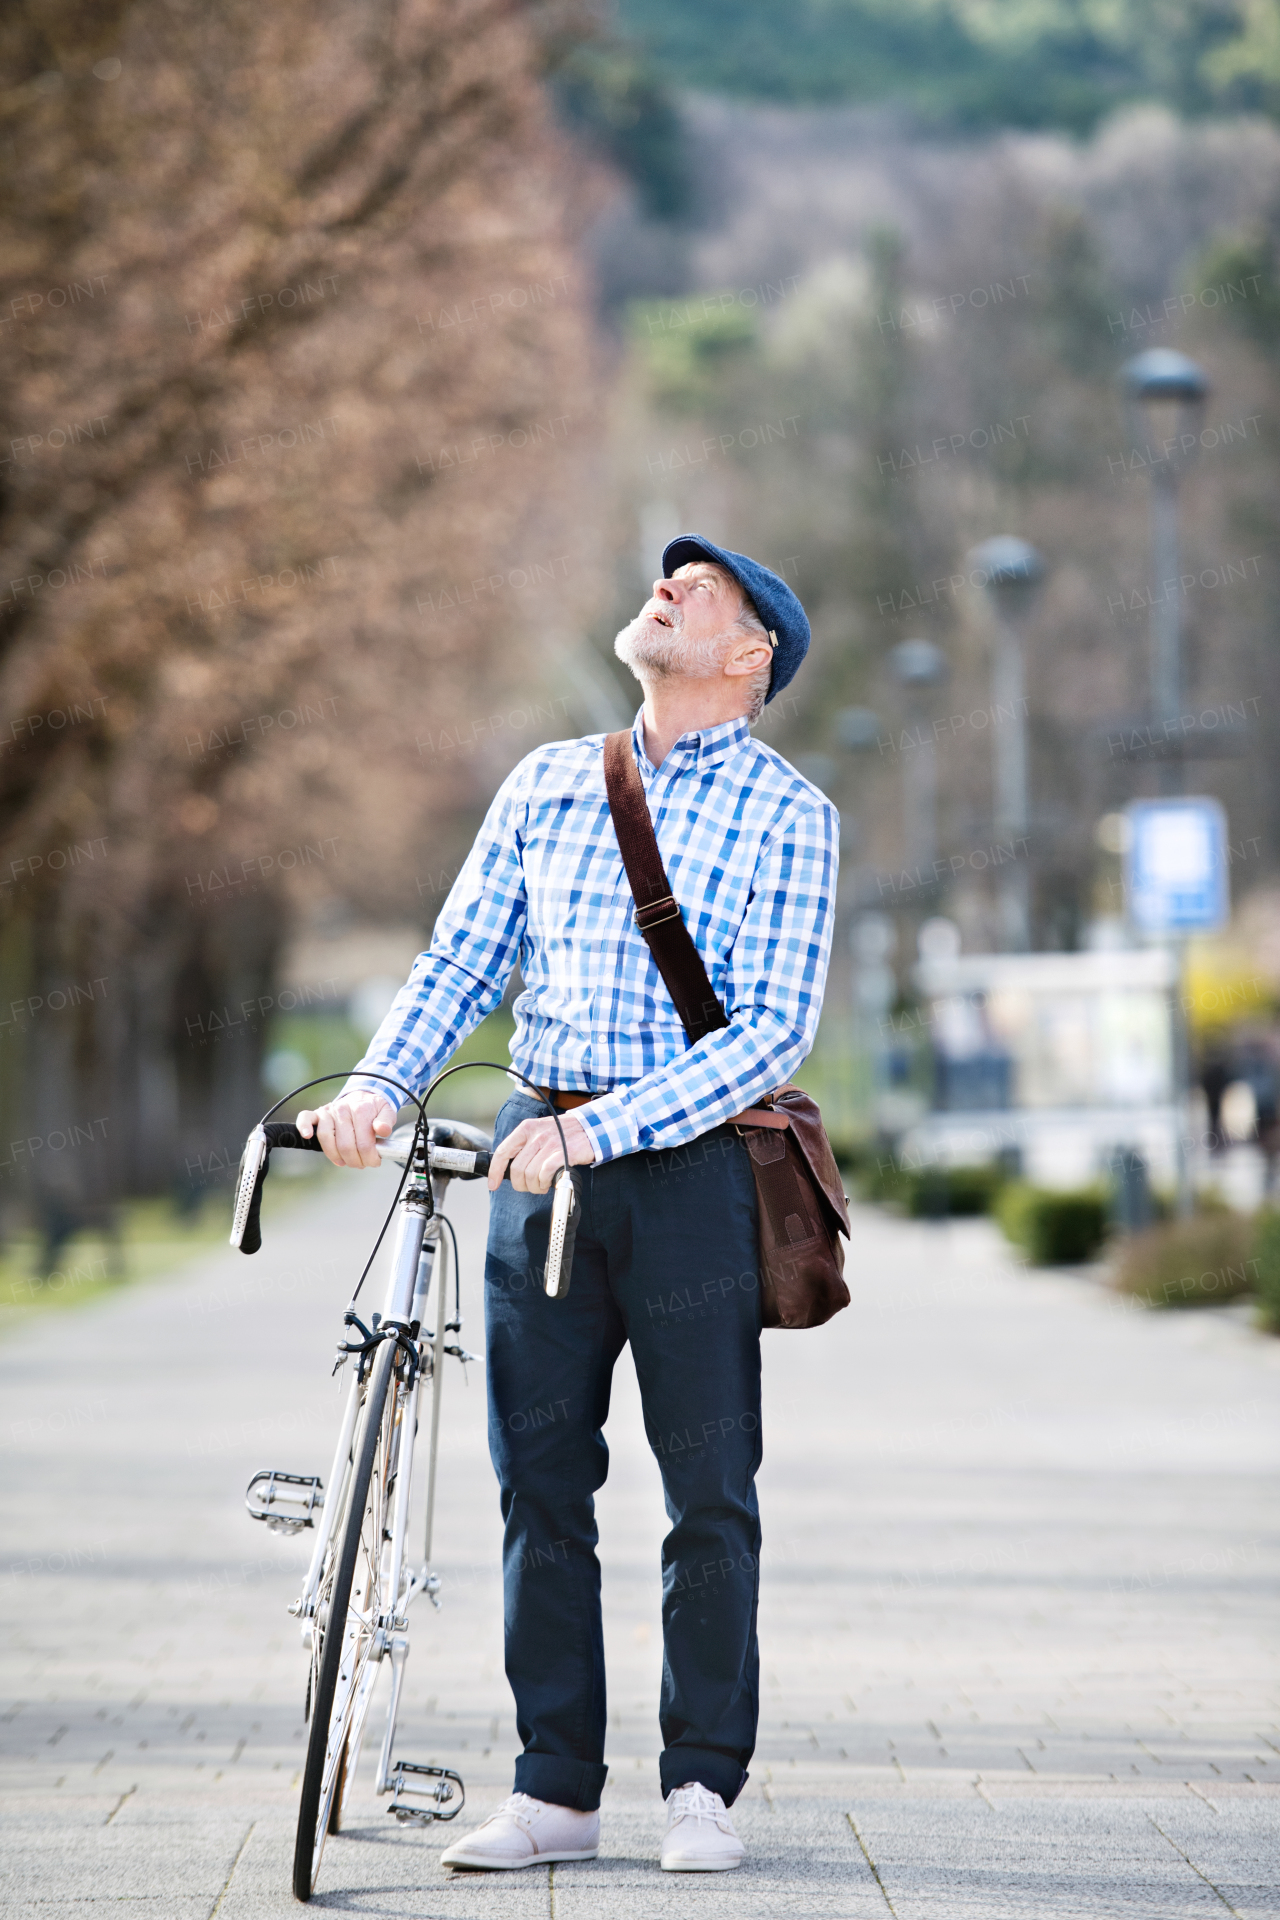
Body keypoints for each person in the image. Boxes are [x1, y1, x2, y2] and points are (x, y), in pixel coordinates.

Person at [297, 534, 838, 1874]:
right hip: (540, 1161)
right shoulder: (546, 784)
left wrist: (603, 1131)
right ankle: (555, 1792)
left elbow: (770, 1034)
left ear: (750, 652)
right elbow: (460, 962)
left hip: (694, 1173)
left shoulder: (792, 814)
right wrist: (377, 1087)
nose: (664, 590)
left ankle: (702, 1787)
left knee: (708, 1488)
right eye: (665, 578)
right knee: (540, 1484)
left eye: (696, 589)